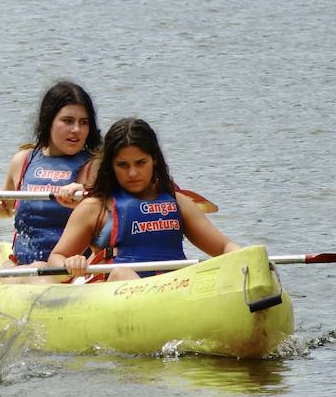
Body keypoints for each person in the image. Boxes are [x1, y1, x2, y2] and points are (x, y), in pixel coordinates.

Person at [46, 118, 240, 282]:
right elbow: (56, 257)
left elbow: (224, 247)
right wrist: (69, 264)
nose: (132, 173)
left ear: (154, 159)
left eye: (140, 163)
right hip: (114, 291)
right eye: (123, 165)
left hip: (172, 290)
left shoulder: (178, 202)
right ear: (110, 166)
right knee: (122, 273)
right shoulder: (94, 208)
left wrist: (248, 259)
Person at [0, 82, 101, 283]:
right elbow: (4, 208)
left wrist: (85, 196)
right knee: (29, 269)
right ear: (49, 121)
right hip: (22, 265)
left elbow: (111, 214)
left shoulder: (95, 165)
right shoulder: (23, 160)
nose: (77, 130)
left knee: (40, 269)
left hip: (70, 270)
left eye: (84, 122)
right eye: (68, 121)